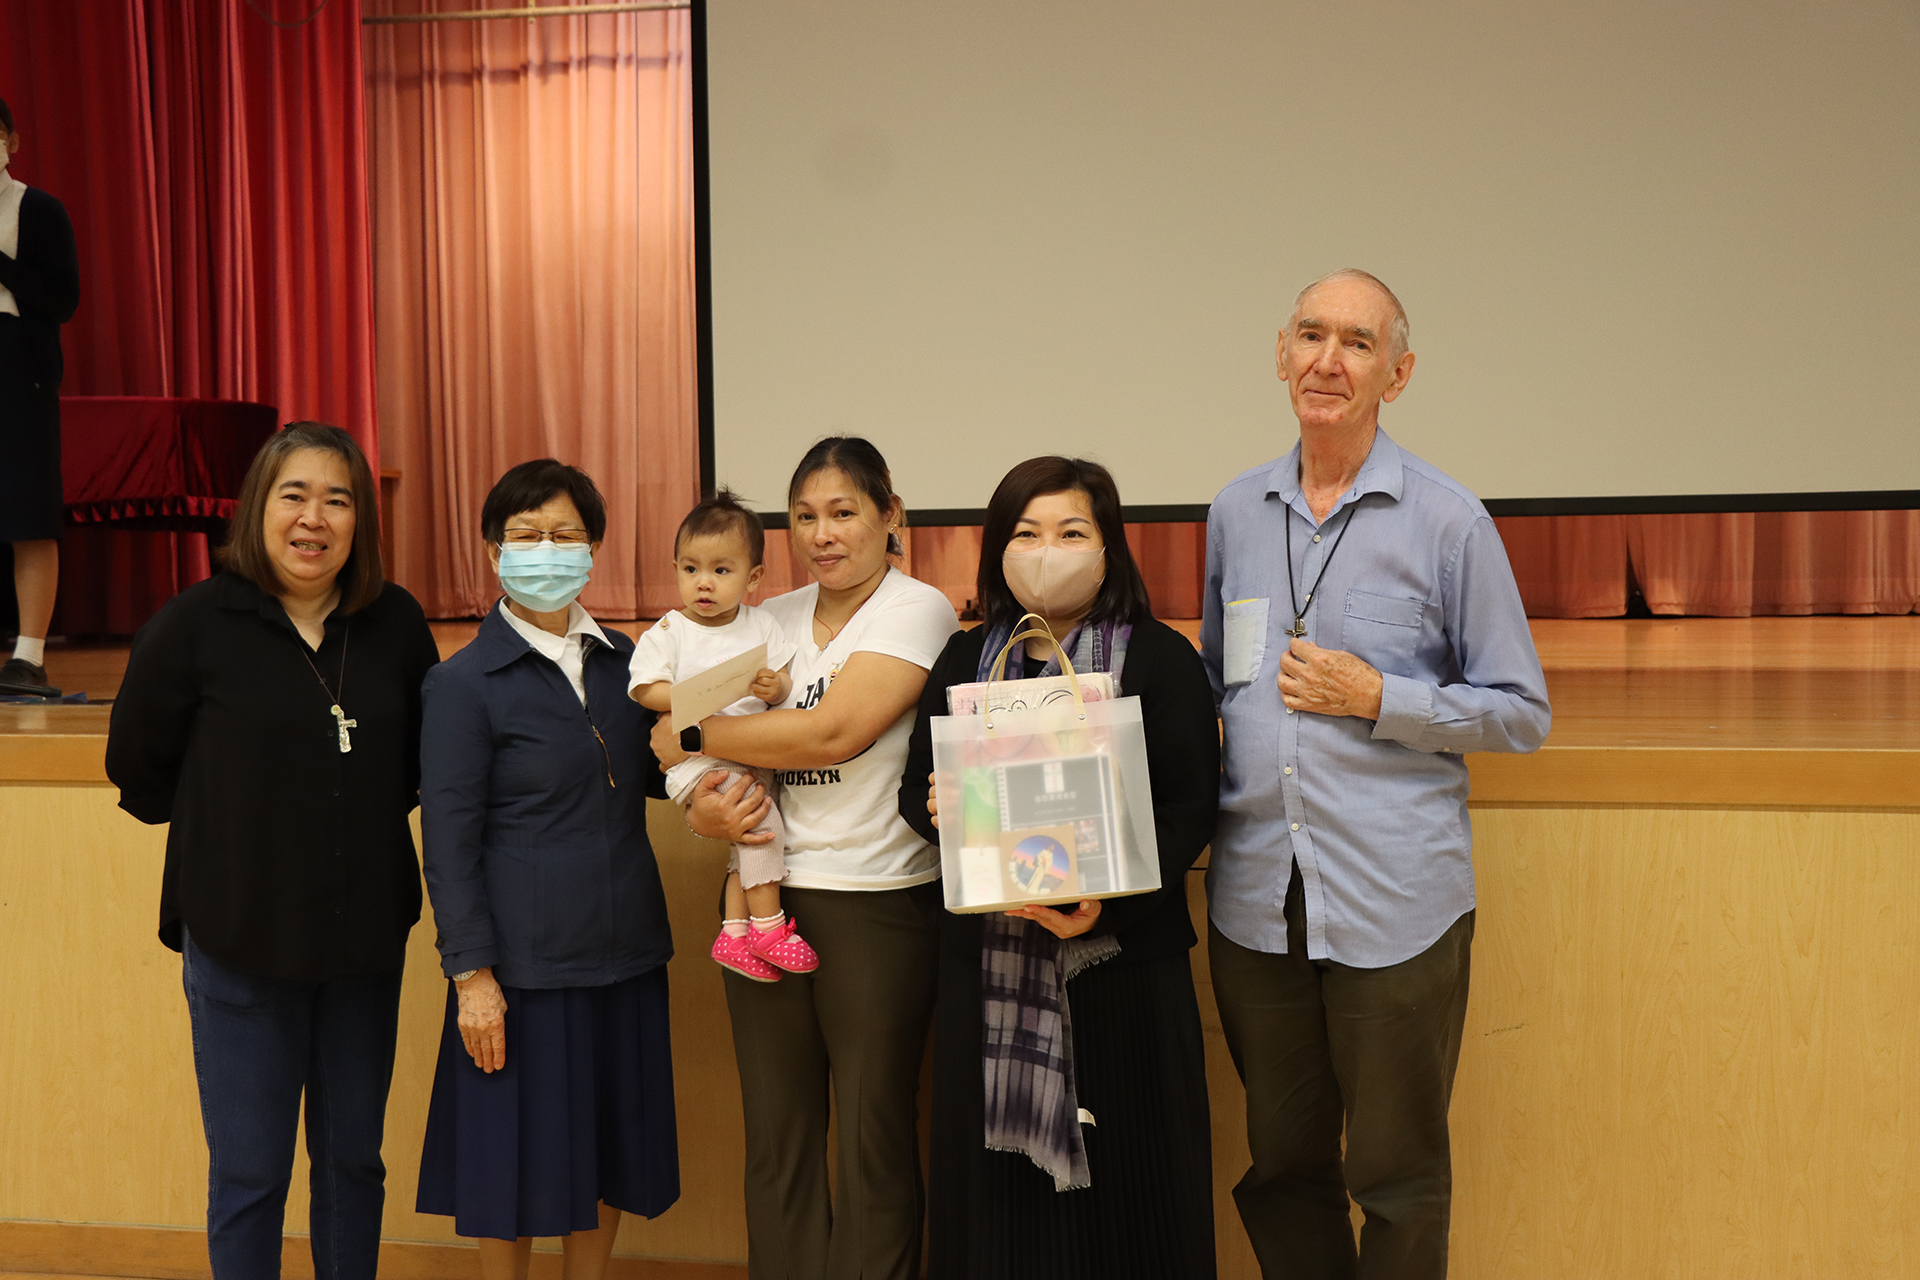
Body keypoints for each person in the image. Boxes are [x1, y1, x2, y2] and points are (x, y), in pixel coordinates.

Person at [1202, 269, 1552, 1280]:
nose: (1327, 360)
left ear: (1396, 374)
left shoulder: (1449, 522)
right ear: (1280, 353)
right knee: (1282, 1165)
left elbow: (1522, 711)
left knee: (1396, 1175)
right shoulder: (1235, 511)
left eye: (1357, 343)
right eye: (1310, 335)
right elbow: (1221, 682)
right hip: (1258, 901)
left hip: (1396, 903)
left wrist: (1380, 697)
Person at [105, 423, 440, 1279]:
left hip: (363, 947)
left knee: (354, 1169)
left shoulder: (396, 624)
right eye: (294, 495)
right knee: (252, 1175)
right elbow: (139, 772)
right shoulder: (193, 626)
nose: (314, 518)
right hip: (240, 944)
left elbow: (416, 768)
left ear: (360, 519)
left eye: (337, 499)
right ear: (259, 507)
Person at [899, 456, 1222, 1279]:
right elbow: (913, 795)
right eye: (1027, 532)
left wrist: (1105, 907)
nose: (1049, 549)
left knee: (1132, 1197)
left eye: (1072, 532)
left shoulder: (1159, 658)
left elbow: (1192, 807)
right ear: (998, 551)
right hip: (989, 970)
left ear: (1108, 547)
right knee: (1001, 1212)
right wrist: (944, 809)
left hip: (1123, 972)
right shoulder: (967, 660)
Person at [650, 437, 959, 1280]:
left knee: (872, 1131)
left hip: (878, 902)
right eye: (805, 517)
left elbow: (833, 730)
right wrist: (705, 801)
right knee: (778, 1134)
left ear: (889, 515)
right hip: (762, 902)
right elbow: (665, 736)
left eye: (844, 512)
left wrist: (691, 733)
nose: (823, 534)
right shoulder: (766, 619)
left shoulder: (917, 608)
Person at [415, 459, 679, 1280]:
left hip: (625, 952)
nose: (546, 550)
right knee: (510, 1162)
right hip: (521, 973)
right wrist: (471, 977)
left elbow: (662, 777)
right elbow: (448, 846)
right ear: (493, 550)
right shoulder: (461, 684)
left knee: (603, 1150)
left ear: (593, 548)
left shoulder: (627, 663)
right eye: (526, 536)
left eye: (564, 535)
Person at [628, 487, 814, 981]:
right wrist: (691, 697)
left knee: (744, 843)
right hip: (700, 761)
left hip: (751, 752)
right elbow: (645, 690)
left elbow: (782, 691)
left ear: (753, 578)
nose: (703, 584)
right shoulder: (670, 632)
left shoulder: (763, 626)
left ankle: (734, 934)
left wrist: (776, 686)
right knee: (760, 825)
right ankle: (769, 928)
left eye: (720, 571)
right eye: (690, 569)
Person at [0, 97, 80, 698]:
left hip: (18, 371)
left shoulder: (41, 210)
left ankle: (28, 656)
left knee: (29, 513)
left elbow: (63, 301)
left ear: (12, 140)